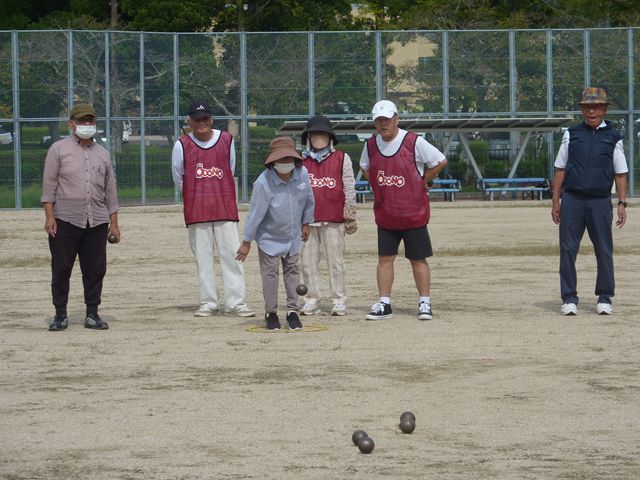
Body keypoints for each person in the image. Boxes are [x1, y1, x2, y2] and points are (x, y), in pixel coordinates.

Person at [359, 100, 447, 321]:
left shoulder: (413, 141)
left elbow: (440, 160)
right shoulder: (370, 145)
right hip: (386, 215)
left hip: (413, 214)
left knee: (418, 259)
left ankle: (425, 303)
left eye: (387, 119)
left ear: (396, 119)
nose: (383, 124)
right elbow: (365, 167)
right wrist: (377, 186)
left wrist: (422, 179)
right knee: (385, 259)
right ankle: (384, 304)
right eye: (379, 120)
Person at [172, 100, 255, 318]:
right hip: (197, 211)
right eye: (197, 119)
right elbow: (179, 178)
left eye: (205, 119)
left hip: (225, 208)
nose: (202, 123)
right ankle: (209, 303)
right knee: (203, 258)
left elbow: (230, 169)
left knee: (232, 256)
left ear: (212, 119)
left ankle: (235, 303)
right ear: (189, 122)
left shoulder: (226, 139)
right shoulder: (181, 145)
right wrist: (197, 195)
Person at [42, 103, 120, 331]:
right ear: (71, 123)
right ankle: (60, 314)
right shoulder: (58, 150)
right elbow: (49, 186)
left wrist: (114, 224)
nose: (87, 124)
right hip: (65, 220)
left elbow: (110, 192)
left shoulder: (103, 153)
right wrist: (49, 217)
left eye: (90, 120)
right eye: (82, 120)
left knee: (95, 270)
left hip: (97, 221)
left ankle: (92, 313)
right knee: (61, 269)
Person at [551, 87, 628, 316]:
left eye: (596, 107)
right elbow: (560, 168)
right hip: (572, 199)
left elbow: (620, 173)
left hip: (600, 201)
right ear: (582, 110)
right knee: (567, 249)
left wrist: (622, 203)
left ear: (604, 109)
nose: (591, 111)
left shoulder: (613, 137)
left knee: (604, 250)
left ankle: (604, 298)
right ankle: (569, 298)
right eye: (587, 107)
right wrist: (556, 200)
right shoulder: (571, 134)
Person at [236, 137, 315, 331]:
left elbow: (309, 200)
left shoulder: (302, 174)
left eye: (289, 158)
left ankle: (293, 311)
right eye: (281, 159)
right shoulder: (263, 183)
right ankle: (270, 313)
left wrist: (306, 223)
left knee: (292, 272)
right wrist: (246, 242)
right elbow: (255, 215)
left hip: (293, 236)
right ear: (273, 161)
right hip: (269, 238)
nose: (286, 162)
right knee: (270, 275)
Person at [299, 115, 357, 316]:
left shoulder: (342, 158)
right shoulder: (301, 160)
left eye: (323, 133)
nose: (319, 137)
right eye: (315, 133)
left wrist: (349, 215)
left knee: (336, 262)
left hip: (333, 218)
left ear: (331, 136)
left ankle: (338, 300)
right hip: (307, 221)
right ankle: (312, 300)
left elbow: (349, 188)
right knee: (307, 263)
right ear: (308, 136)